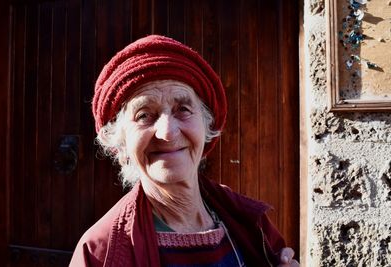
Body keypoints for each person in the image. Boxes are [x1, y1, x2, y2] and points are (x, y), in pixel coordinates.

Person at [70, 35, 299, 267]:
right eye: (144, 115)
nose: (167, 132)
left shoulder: (252, 224)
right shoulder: (101, 253)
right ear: (121, 143)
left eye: (183, 109)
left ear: (207, 125)